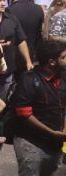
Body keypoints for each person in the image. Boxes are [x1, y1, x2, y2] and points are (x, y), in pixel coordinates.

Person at [10, 40, 66, 176]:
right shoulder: (29, 80)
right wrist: (52, 132)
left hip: (55, 142)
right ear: (52, 61)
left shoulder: (63, 77)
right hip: (30, 142)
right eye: (64, 57)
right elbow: (24, 114)